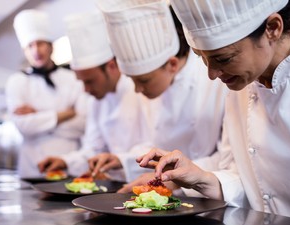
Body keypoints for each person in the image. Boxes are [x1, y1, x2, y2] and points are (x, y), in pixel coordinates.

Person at [137, 0, 290, 225]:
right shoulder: (239, 85)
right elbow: (251, 183)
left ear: (272, 28)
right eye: (202, 59)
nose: (212, 74)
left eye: (223, 58)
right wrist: (204, 179)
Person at [94, 0, 228, 189]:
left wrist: (177, 179)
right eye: (132, 80)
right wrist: (122, 160)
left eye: (143, 81)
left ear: (172, 65)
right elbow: (156, 146)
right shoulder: (153, 90)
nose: (137, 90)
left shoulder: (217, 80)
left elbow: (226, 158)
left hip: (211, 191)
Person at [37, 10, 149, 181]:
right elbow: (93, 149)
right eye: (82, 82)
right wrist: (65, 161)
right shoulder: (96, 101)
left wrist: (121, 160)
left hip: (147, 182)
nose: (85, 90)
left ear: (111, 67)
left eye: (89, 81)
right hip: (113, 185)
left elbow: (156, 146)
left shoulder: (142, 90)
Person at [5, 9, 89, 178]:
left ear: (51, 46)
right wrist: (65, 114)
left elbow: (82, 124)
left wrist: (38, 116)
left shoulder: (73, 78)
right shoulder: (16, 81)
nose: (36, 50)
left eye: (41, 43)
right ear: (25, 51)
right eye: (30, 45)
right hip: (31, 168)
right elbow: (24, 126)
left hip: (69, 165)